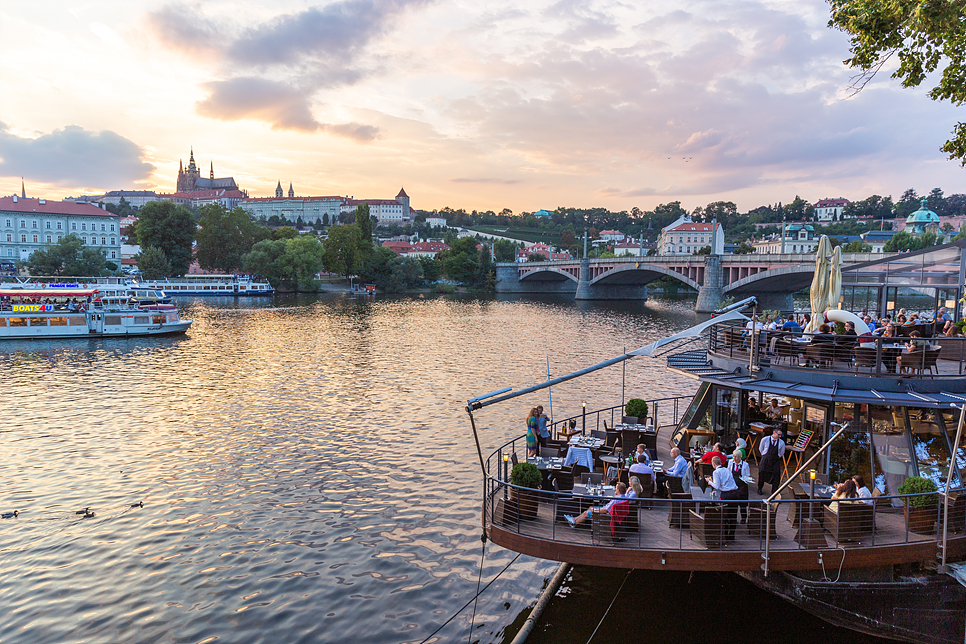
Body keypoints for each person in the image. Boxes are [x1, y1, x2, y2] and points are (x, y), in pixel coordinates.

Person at [706, 456, 740, 539]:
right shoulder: (726, 469)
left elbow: (717, 486)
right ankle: (731, 535)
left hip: (727, 495)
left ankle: (725, 535)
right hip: (735, 493)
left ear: (713, 464)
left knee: (725, 515)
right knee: (733, 515)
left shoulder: (716, 472)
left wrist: (709, 481)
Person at [757, 427, 785, 495]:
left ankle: (774, 493)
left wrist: (777, 456)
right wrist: (764, 455)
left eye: (781, 435)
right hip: (765, 460)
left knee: (776, 475)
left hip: (775, 461)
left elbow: (781, 452)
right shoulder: (765, 439)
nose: (780, 436)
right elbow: (761, 448)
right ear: (774, 433)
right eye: (779, 434)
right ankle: (760, 488)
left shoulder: (781, 443)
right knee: (762, 474)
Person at [730, 450, 751, 523]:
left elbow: (747, 475)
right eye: (733, 456)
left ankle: (743, 518)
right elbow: (729, 472)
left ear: (740, 457)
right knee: (733, 503)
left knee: (743, 503)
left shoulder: (745, 465)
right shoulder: (730, 462)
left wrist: (745, 479)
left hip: (742, 486)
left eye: (736, 457)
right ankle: (734, 518)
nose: (734, 458)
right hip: (733, 485)